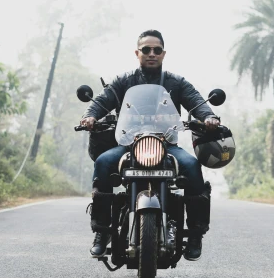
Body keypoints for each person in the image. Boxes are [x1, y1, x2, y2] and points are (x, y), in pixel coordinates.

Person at [81, 29, 220, 261]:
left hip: (166, 144)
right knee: (104, 162)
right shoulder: (123, 81)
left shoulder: (177, 82)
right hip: (129, 144)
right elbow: (103, 101)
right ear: (137, 53)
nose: (151, 53)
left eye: (157, 50)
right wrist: (90, 116)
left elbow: (197, 102)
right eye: (146, 50)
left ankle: (195, 234)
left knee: (193, 167)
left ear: (163, 54)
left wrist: (208, 117)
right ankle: (101, 231)